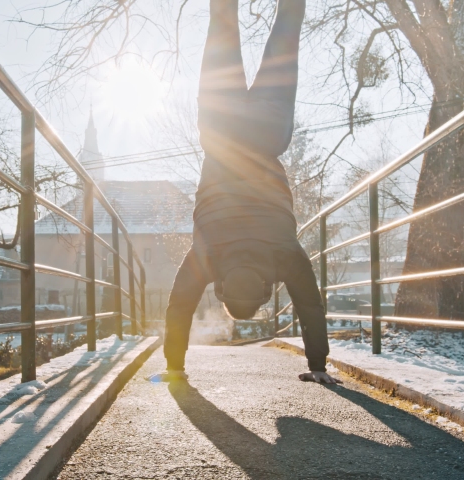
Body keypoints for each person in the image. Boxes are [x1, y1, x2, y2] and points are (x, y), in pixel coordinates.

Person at [153, 0, 339, 384]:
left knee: (287, 32)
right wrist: (173, 367)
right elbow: (178, 307)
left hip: (267, 130)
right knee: (222, 22)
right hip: (219, 127)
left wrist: (318, 366)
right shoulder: (207, 257)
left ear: (266, 292)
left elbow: (310, 306)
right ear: (220, 289)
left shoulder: (284, 256)